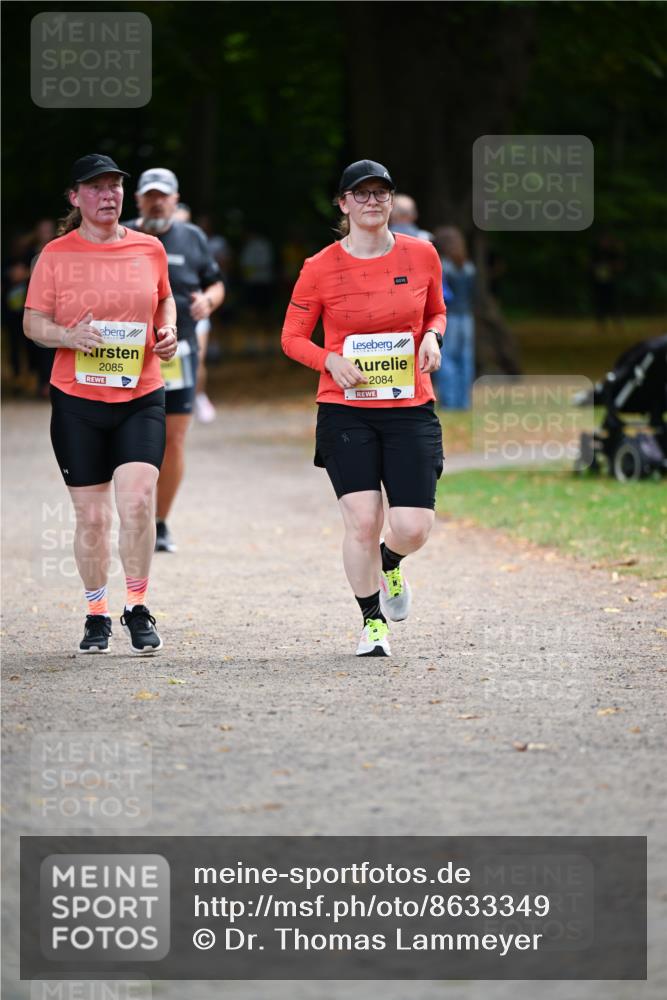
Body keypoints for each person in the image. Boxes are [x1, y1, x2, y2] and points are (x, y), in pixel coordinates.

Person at [281, 160, 446, 657]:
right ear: (343, 203)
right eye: (362, 193)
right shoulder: (319, 267)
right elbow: (291, 339)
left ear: (392, 201)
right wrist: (329, 359)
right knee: (363, 519)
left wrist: (433, 337)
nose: (373, 201)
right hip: (346, 408)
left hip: (410, 404)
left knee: (413, 526)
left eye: (382, 193)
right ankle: (372, 623)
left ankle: (389, 563)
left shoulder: (423, 255)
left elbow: (436, 309)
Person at [23, 153, 178, 655]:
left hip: (140, 394)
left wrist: (167, 330)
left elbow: (164, 300)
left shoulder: (149, 248)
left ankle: (136, 606)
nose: (108, 195)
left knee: (136, 501)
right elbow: (33, 323)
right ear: (75, 198)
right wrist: (67, 334)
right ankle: (96, 613)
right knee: (92, 519)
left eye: (114, 186)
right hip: (77, 401)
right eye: (96, 188)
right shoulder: (55, 255)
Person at [125, 168, 225, 551]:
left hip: (178, 350)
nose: (156, 201)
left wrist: (209, 299)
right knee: (125, 436)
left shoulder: (192, 237)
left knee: (174, 439)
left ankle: (160, 522)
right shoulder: (122, 236)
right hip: (127, 352)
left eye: (162, 195)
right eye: (149, 195)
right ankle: (126, 517)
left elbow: (215, 281)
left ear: (175, 198)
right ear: (138, 200)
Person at [432, 226, 476, 409]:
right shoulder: (468, 266)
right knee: (465, 360)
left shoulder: (442, 266)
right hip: (467, 318)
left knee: (447, 359)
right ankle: (463, 402)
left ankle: (450, 402)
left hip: (449, 318)